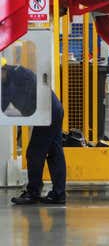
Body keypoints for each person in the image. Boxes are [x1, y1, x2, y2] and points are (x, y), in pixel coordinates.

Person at [2, 58, 67, 205]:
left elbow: (5, 100)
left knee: (34, 153)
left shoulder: (19, 75)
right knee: (54, 152)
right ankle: (58, 193)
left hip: (48, 113)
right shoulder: (7, 80)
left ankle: (33, 192)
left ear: (3, 69)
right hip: (51, 110)